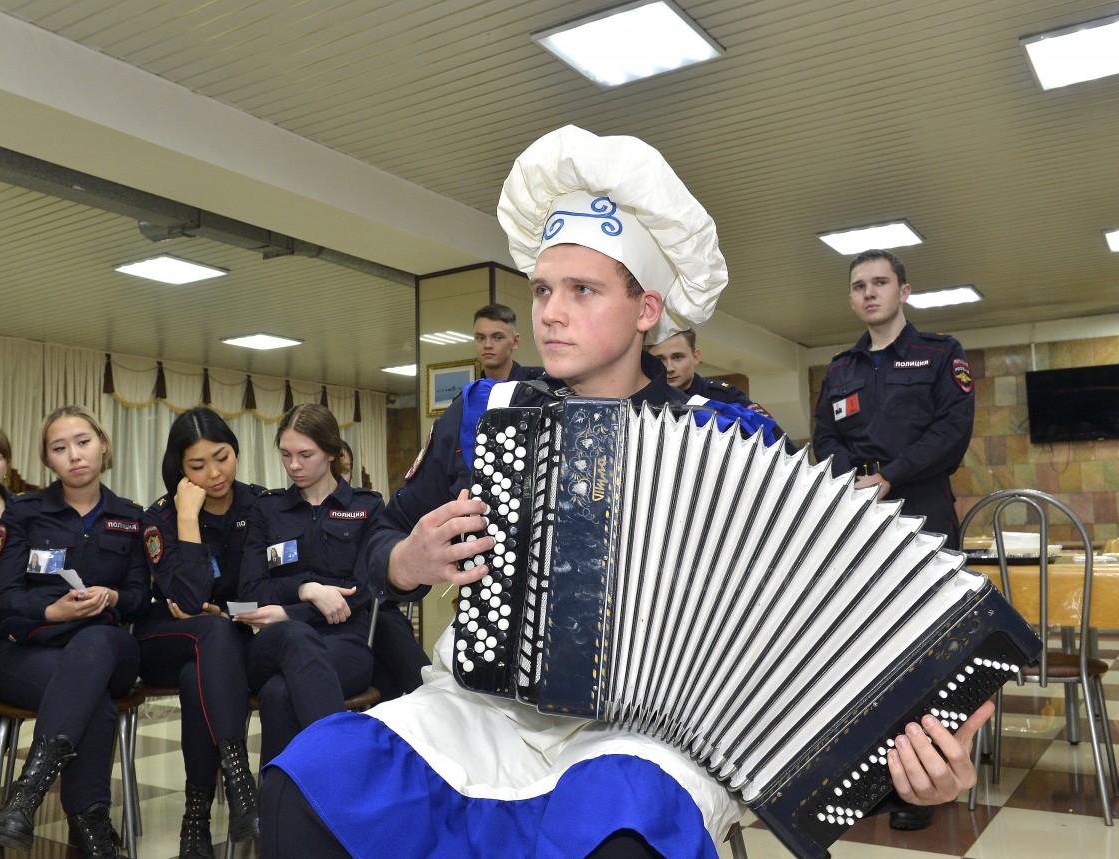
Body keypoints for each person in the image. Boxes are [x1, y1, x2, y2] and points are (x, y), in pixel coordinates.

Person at [256, 126, 994, 859]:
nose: (549, 311)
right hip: (484, 707)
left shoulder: (728, 435)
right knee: (309, 779)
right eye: (542, 289)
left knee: (620, 831)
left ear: (646, 312)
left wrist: (913, 758)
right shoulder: (484, 412)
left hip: (653, 738)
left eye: (583, 290)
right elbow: (380, 537)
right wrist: (405, 562)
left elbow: (826, 622)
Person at [812, 248, 976, 830]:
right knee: (865, 648)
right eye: (859, 285)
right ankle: (873, 776)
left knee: (926, 649)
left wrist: (892, 475)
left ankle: (921, 787)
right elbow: (826, 437)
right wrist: (850, 483)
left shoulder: (940, 353)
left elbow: (953, 431)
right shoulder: (841, 368)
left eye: (880, 282)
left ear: (903, 291)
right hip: (858, 517)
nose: (869, 293)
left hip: (921, 509)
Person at [0, 406, 148, 858]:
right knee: (91, 703)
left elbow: (140, 597)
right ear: (47, 460)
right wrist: (50, 611)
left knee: (95, 644)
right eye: (59, 448)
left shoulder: (130, 516)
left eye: (83, 442)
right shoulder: (22, 514)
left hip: (110, 649)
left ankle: (27, 793)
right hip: (33, 651)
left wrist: (112, 597)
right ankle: (91, 829)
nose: (74, 455)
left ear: (103, 445)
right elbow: (1, 596)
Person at [134, 407, 261, 857]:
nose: (215, 473)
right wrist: (188, 519)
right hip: (164, 641)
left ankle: (195, 820)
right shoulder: (160, 518)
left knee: (198, 674)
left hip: (230, 639)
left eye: (222, 457)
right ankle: (240, 781)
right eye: (198, 465)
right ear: (179, 469)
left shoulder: (259, 505)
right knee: (209, 634)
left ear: (235, 451)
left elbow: (262, 589)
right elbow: (187, 603)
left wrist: (223, 615)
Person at [235, 404, 379, 770]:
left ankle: (276, 799)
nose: (294, 465)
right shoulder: (267, 510)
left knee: (279, 692)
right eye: (286, 454)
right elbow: (250, 590)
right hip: (274, 643)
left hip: (345, 643)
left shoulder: (366, 508)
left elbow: (359, 592)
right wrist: (307, 589)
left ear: (331, 452)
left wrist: (289, 612)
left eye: (305, 455)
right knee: (294, 637)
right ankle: (339, 781)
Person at [337, 438, 429, 699]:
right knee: (385, 637)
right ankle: (434, 698)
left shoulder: (365, 505)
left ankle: (431, 696)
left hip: (375, 604)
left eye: (346, 470)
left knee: (388, 624)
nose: (341, 477)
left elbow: (378, 564)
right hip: (341, 612)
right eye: (336, 470)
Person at [649, 328, 794, 449]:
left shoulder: (725, 397)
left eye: (677, 357)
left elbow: (779, 443)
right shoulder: (644, 404)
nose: (669, 368)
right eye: (659, 359)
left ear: (696, 357)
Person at [473, 303, 543, 382]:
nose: (487, 345)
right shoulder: (472, 389)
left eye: (498, 337)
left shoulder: (540, 382)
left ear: (515, 341)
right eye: (480, 338)